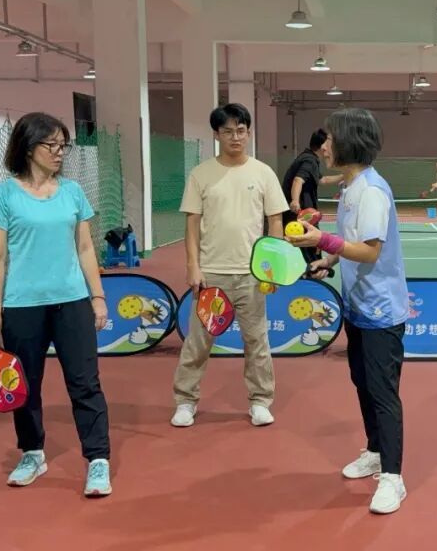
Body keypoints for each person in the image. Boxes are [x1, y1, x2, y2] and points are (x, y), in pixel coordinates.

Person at [0, 112, 112, 497]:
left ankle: (98, 458)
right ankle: (32, 452)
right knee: (26, 384)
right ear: (27, 147)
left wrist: (98, 296)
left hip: (72, 301)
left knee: (85, 382)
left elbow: (85, 248)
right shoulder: (4, 195)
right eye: (50, 145)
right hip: (22, 305)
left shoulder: (72, 192)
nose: (58, 152)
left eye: (62, 145)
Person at [288, 108, 410, 515]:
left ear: (349, 142)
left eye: (329, 138)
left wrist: (321, 241)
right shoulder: (351, 187)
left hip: (381, 311)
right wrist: (329, 261)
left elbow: (370, 251)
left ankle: (393, 477)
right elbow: (351, 242)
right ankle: (375, 452)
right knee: (362, 382)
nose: (323, 146)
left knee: (383, 393)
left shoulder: (371, 191)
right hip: (357, 305)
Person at [172, 103, 287, 428]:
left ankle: (260, 401)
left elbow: (275, 221)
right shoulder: (201, 174)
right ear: (216, 134)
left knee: (257, 342)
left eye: (241, 130)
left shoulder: (263, 173)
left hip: (252, 276)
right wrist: (193, 266)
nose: (235, 137)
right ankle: (185, 401)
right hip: (211, 275)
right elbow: (192, 224)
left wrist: (272, 269)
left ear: (249, 132)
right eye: (227, 131)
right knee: (198, 343)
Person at [281, 128, 343, 263]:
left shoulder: (308, 158)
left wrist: (345, 176)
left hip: (304, 215)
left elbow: (323, 180)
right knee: (308, 250)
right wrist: (295, 201)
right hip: (301, 215)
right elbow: (298, 180)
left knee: (308, 249)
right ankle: (312, 271)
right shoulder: (309, 161)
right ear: (322, 146)